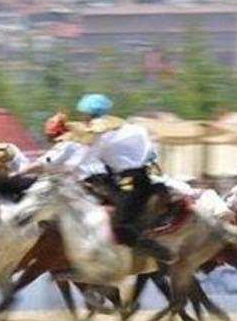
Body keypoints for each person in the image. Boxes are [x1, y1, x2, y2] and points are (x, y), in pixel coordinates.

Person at [69, 94, 174, 263]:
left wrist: (69, 175)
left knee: (121, 228)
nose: (82, 118)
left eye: (83, 115)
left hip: (129, 181)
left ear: (88, 115)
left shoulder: (98, 134)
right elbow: (151, 153)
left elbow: (83, 160)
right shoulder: (132, 127)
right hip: (150, 175)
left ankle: (150, 247)